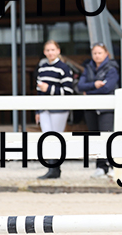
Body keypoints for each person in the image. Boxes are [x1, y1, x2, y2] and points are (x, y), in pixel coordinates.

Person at [78, 42, 119, 178]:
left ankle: (112, 166)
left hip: (106, 108)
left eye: (100, 53)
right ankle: (101, 166)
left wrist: (89, 91)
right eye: (95, 53)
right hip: (91, 108)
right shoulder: (88, 67)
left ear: (106, 54)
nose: (97, 56)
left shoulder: (112, 68)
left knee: (107, 136)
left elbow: (108, 87)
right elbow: (80, 85)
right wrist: (95, 84)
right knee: (95, 137)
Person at [35, 40, 74, 179]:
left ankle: (55, 168)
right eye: (48, 50)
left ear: (58, 51)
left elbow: (68, 90)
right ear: (44, 52)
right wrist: (38, 110)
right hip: (44, 108)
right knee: (47, 137)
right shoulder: (42, 68)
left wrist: (49, 89)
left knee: (56, 137)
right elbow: (39, 91)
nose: (50, 53)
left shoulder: (64, 68)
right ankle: (52, 168)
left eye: (53, 50)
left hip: (59, 108)